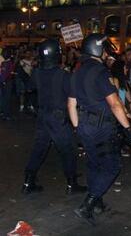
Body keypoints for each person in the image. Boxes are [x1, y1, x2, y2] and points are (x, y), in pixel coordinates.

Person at [68, 34, 131, 225]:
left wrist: (76, 128)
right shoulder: (100, 72)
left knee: (94, 164)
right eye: (104, 49)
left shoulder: (77, 71)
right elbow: (115, 104)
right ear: (97, 50)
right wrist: (128, 128)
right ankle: (87, 205)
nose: (106, 53)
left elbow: (71, 104)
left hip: (84, 127)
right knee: (112, 166)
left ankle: (97, 202)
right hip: (101, 128)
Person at [22, 39, 87, 195]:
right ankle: (72, 185)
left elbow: (29, 88)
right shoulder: (63, 75)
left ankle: (27, 182)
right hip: (58, 118)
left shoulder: (37, 72)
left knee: (39, 149)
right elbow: (73, 96)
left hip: (42, 116)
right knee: (68, 150)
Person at [0, 48, 15, 120]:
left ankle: (6, 114)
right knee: (3, 98)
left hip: (7, 83)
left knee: (6, 99)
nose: (4, 54)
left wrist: (3, 81)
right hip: (4, 83)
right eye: (3, 53)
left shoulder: (8, 63)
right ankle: (4, 112)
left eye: (5, 53)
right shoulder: (4, 63)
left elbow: (7, 74)